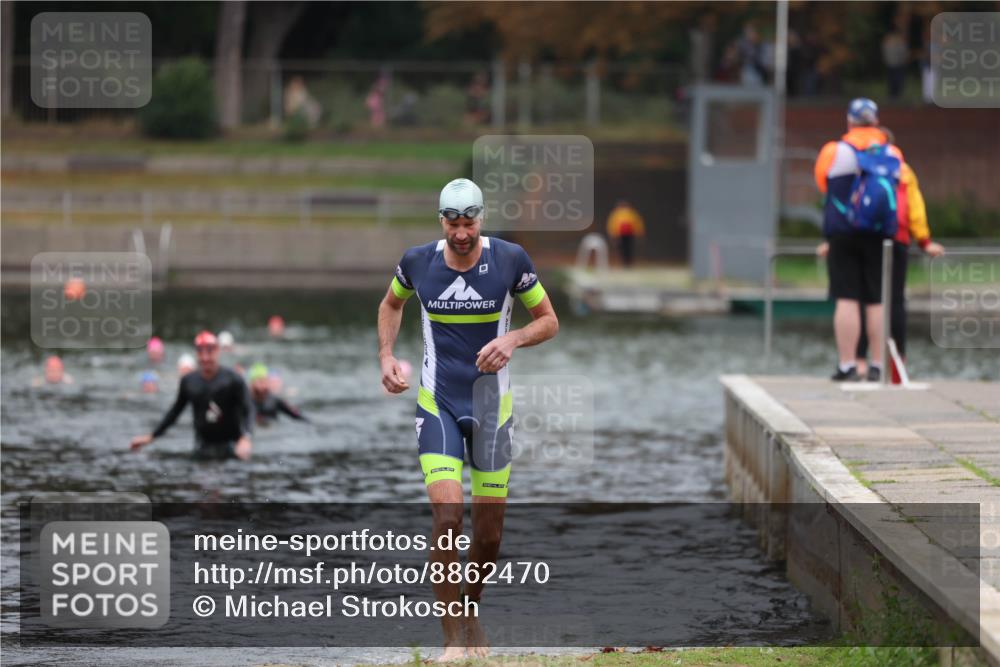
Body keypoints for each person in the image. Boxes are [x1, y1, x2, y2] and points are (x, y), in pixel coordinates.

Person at [377, 178, 558, 661]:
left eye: (470, 222)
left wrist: (512, 339)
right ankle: (452, 638)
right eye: (454, 223)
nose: (462, 232)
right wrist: (386, 355)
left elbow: (549, 321)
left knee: (489, 534)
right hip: (437, 404)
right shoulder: (418, 261)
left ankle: (469, 608)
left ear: (481, 219)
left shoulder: (509, 260)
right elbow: (391, 303)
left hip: (491, 411)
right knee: (448, 517)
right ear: (442, 221)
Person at [819, 126, 946, 381]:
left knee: (857, 299)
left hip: (854, 235)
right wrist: (924, 241)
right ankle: (893, 366)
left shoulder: (846, 159)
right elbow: (915, 208)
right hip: (893, 239)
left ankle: (858, 362)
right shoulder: (899, 166)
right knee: (891, 301)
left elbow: (826, 187)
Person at [814, 98, 903, 381]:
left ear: (850, 122)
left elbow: (821, 183)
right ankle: (877, 365)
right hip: (879, 234)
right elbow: (899, 186)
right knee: (877, 299)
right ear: (876, 121)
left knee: (846, 297)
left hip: (842, 233)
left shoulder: (834, 150)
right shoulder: (893, 152)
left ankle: (848, 364)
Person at [130, 331, 254, 461]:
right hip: (202, 446)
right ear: (196, 354)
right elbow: (175, 412)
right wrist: (151, 437)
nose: (205, 358)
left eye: (210, 351)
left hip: (232, 445)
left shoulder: (233, 379)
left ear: (218, 351)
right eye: (201, 352)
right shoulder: (189, 381)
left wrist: (246, 438)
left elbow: (249, 408)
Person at [605, 200, 646, 267]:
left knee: (628, 248)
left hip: (630, 234)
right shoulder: (617, 213)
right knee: (623, 248)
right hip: (620, 235)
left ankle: (628, 262)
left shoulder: (631, 213)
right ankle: (625, 262)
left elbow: (637, 223)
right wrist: (613, 234)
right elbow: (612, 224)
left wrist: (639, 232)